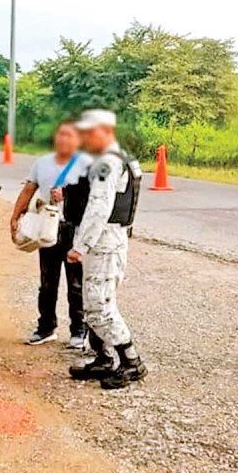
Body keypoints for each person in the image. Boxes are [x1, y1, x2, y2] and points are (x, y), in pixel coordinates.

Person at [67, 109, 147, 390]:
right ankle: (103, 356)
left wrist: (80, 245)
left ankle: (131, 361)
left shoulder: (106, 163)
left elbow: (99, 207)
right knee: (96, 301)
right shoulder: (121, 157)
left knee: (99, 304)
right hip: (110, 238)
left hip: (103, 240)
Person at [10, 120, 93, 347]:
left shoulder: (87, 164)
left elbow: (95, 198)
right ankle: (46, 327)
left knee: (76, 283)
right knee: (47, 282)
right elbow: (28, 190)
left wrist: (68, 196)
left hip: (74, 229)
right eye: (61, 135)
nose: (64, 139)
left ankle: (79, 329)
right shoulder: (42, 163)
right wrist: (15, 217)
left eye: (69, 135)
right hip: (47, 228)